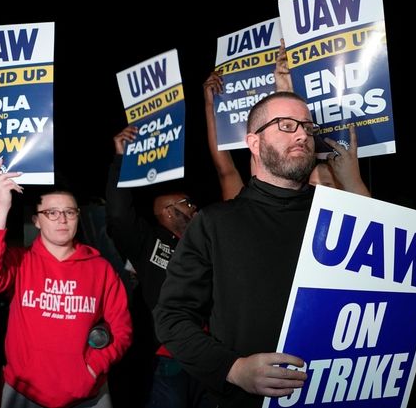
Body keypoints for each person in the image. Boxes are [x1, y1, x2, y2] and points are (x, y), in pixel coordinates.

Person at [155, 91, 369, 407]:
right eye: (286, 125)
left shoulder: (340, 214)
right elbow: (172, 318)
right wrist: (233, 369)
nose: (302, 134)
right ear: (254, 143)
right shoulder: (215, 224)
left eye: (307, 127)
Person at [0, 157, 132, 408]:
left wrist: (92, 368)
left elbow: (121, 331)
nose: (62, 219)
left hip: (89, 395)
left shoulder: (101, 269)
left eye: (70, 212)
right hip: (24, 393)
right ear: (36, 220)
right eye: (51, 213)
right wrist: (1, 207)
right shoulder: (20, 262)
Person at [106, 125, 210, 408]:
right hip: (169, 359)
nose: (194, 208)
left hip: (211, 357)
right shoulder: (147, 242)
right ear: (167, 211)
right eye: (187, 203)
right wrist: (121, 161)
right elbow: (118, 214)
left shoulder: (204, 242)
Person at [203, 40, 370, 201]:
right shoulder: (247, 210)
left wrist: (353, 182)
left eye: (327, 185)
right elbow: (229, 171)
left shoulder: (339, 221)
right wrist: (212, 105)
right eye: (314, 185)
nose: (318, 191)